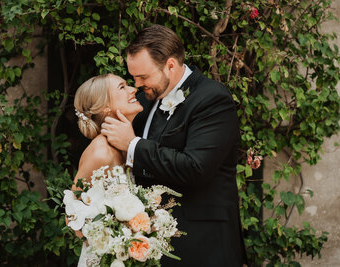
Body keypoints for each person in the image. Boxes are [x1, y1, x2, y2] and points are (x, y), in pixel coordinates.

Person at [101, 24, 246, 266]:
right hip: (154, 245)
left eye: (143, 77)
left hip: (203, 245)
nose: (136, 85)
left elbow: (195, 167)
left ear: (170, 65)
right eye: (133, 77)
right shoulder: (145, 101)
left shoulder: (212, 99)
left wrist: (132, 145)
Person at [72, 73, 143, 187]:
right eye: (121, 87)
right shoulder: (100, 153)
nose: (133, 89)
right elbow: (74, 202)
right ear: (105, 107)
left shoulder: (126, 143)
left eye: (127, 85)